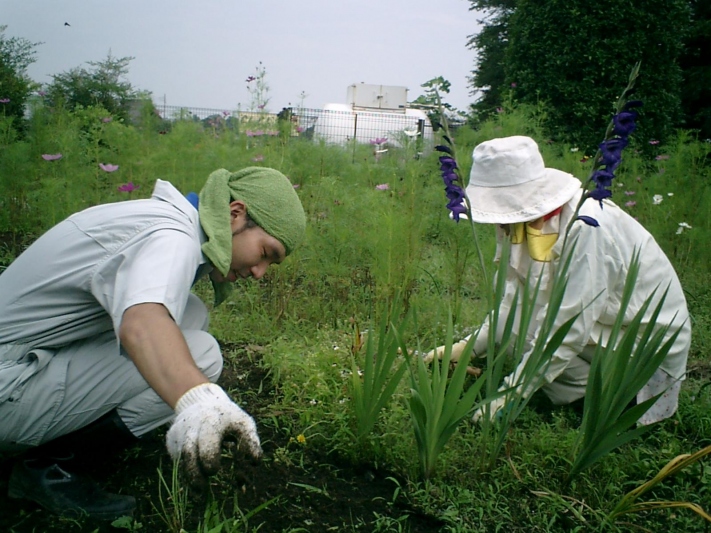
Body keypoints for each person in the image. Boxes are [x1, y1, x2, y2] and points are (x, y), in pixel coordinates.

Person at [0, 166, 306, 520]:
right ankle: (48, 467)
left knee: (188, 315)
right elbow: (142, 324)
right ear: (235, 214)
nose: (259, 272)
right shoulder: (171, 238)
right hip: (8, 384)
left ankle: (60, 441)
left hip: (22, 359)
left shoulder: (164, 220)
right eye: (266, 252)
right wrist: (202, 402)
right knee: (202, 356)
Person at [426, 136, 690, 425]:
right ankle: (584, 388)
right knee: (521, 331)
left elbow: (569, 325)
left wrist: (511, 393)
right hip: (604, 329)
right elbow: (514, 302)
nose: (497, 222)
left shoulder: (587, 228)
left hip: (640, 347)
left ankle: (617, 399)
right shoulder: (525, 223)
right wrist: (466, 347)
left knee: (530, 334)